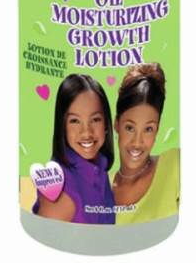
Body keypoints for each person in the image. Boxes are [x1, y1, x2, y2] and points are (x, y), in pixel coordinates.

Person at [32, 74, 116, 224]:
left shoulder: (100, 167)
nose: (86, 132)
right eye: (75, 121)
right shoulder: (61, 192)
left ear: (106, 124)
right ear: (62, 126)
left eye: (95, 119)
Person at [111, 63, 179, 224]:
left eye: (148, 129)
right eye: (130, 128)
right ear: (116, 124)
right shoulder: (100, 186)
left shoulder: (175, 165)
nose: (137, 142)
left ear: (157, 130)